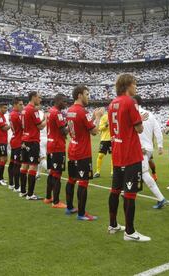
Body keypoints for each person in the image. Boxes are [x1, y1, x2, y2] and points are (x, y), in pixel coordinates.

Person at [108, 74, 150, 242]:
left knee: (115, 190)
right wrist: (141, 120)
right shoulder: (130, 102)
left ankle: (112, 224)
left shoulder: (112, 103)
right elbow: (139, 129)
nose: (136, 87)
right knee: (130, 193)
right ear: (128, 85)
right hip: (130, 153)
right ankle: (130, 232)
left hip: (117, 152)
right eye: (135, 84)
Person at [66, 85, 103, 221]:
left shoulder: (70, 110)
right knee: (83, 182)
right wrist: (98, 117)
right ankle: (81, 213)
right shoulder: (82, 111)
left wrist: (92, 118)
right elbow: (94, 131)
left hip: (73, 149)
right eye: (87, 94)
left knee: (71, 179)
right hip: (82, 151)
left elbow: (82, 127)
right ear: (80, 95)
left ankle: (69, 207)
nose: (88, 97)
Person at [133, 95, 166, 209]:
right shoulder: (150, 114)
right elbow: (157, 129)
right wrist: (160, 145)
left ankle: (161, 198)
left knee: (144, 173)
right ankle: (129, 192)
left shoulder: (133, 114)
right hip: (149, 148)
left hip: (140, 148)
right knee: (134, 170)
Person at [20, 92, 47, 200]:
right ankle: (30, 194)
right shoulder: (33, 109)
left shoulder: (24, 109)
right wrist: (46, 119)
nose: (40, 100)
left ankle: (22, 191)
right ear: (34, 97)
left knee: (24, 165)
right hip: (32, 140)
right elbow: (40, 126)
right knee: (33, 166)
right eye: (39, 97)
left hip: (25, 139)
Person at [44, 93, 68, 209]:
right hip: (57, 146)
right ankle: (56, 201)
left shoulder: (50, 112)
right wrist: (72, 125)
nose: (65, 103)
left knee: (52, 172)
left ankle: (48, 197)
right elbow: (63, 131)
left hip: (50, 144)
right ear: (58, 101)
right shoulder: (57, 113)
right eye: (64, 101)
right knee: (57, 173)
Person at [8, 98, 24, 192]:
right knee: (17, 165)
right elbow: (23, 126)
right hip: (18, 141)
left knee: (12, 163)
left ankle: (11, 183)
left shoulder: (12, 114)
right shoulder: (16, 115)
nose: (22, 106)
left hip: (14, 139)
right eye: (20, 104)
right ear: (15, 105)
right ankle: (17, 186)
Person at [93, 111, 113, 178]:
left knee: (113, 156)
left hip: (112, 139)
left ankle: (112, 172)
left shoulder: (116, 116)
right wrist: (106, 124)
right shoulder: (104, 117)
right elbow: (100, 128)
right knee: (100, 155)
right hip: (104, 139)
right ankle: (98, 172)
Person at [37, 105, 48, 179]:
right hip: (47, 138)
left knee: (42, 158)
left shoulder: (37, 114)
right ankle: (37, 174)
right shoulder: (45, 115)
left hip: (40, 138)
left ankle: (50, 171)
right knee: (40, 157)